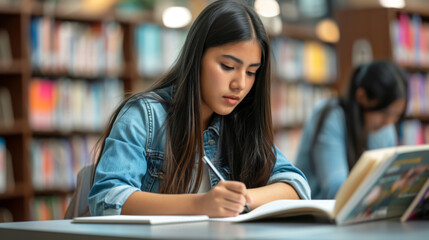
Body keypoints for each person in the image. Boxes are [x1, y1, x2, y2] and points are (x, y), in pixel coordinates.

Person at [88, 0, 311, 218]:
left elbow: (297, 185)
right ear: (197, 57)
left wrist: (239, 199)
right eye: (228, 66)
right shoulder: (144, 116)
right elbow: (107, 198)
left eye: (251, 72)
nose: (240, 84)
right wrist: (202, 203)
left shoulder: (242, 120)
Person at [295, 60, 408, 199]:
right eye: (384, 113)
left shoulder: (385, 129)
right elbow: (336, 189)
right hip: (316, 213)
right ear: (362, 97)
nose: (389, 122)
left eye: (396, 115)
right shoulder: (330, 116)